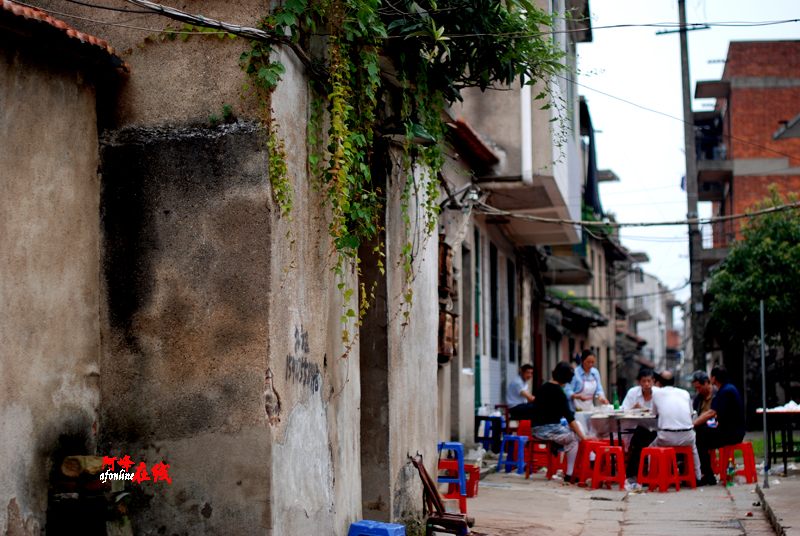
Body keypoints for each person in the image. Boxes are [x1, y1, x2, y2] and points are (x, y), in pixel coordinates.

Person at [528, 361, 598, 482]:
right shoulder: (559, 391)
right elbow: (569, 417)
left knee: (575, 429)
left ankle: (591, 457)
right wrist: (584, 436)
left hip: (536, 428)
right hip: (546, 429)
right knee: (573, 437)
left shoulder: (544, 386)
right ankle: (571, 473)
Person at [638, 371, 703, 484]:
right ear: (674, 382)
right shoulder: (685, 393)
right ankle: (697, 477)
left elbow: (654, 413)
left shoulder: (656, 394)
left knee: (651, 448)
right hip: (687, 436)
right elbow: (690, 412)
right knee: (693, 449)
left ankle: (650, 477)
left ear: (659, 383)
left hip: (667, 437)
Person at [693, 365, 746, 485]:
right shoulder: (729, 388)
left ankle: (708, 475)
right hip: (734, 431)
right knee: (703, 434)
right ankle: (708, 473)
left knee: (699, 436)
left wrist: (694, 423)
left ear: (713, 379)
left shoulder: (724, 391)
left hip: (732, 433)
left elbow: (711, 412)